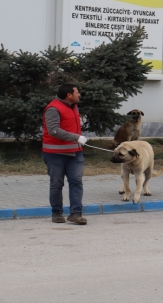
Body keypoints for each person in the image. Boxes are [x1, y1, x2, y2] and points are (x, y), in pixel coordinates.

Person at [42, 83, 89, 225]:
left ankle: (76, 214)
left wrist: (78, 140)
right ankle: (57, 213)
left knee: (76, 182)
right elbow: (53, 130)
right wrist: (76, 138)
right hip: (55, 154)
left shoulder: (74, 107)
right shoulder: (53, 108)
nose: (79, 94)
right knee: (56, 184)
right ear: (69, 95)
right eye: (77, 92)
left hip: (75, 153)